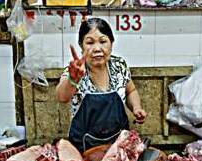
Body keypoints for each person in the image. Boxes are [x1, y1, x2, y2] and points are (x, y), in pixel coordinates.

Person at [56, 18, 146, 151]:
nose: (97, 48)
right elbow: (61, 97)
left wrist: (136, 108)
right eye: (90, 43)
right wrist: (73, 79)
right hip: (84, 148)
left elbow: (130, 90)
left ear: (111, 43)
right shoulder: (77, 69)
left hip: (118, 146)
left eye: (103, 41)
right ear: (81, 45)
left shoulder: (119, 65)